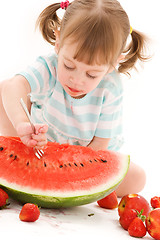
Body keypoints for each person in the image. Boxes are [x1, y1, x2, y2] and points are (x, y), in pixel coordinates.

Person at [0, 0, 149, 196]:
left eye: (91, 75)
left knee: (137, 178)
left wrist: (72, 172)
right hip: (38, 145)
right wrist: (22, 125)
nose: (76, 80)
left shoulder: (111, 89)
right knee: (6, 88)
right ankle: (15, 154)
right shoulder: (49, 66)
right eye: (69, 66)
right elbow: (13, 87)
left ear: (113, 64)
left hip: (86, 154)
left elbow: (100, 145)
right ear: (58, 42)